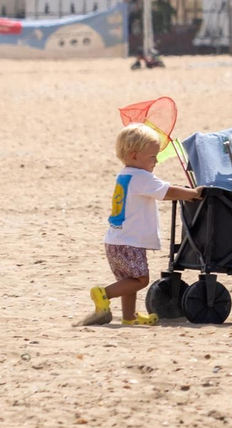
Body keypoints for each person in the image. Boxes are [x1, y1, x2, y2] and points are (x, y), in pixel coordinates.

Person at [79, 123, 203, 326]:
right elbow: (168, 192)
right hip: (130, 242)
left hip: (116, 240)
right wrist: (193, 193)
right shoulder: (141, 177)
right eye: (152, 157)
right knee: (140, 280)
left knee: (128, 281)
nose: (156, 161)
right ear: (135, 156)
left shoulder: (125, 174)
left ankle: (128, 317)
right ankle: (103, 294)